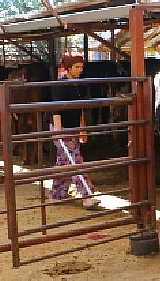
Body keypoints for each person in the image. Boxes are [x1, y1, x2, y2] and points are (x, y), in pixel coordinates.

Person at [49, 54, 100, 209]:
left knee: (64, 162)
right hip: (62, 128)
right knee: (75, 161)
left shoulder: (78, 85)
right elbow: (56, 109)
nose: (80, 70)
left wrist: (82, 129)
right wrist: (58, 131)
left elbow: (80, 109)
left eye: (81, 67)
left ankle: (56, 195)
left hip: (73, 128)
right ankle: (87, 195)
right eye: (77, 67)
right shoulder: (61, 85)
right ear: (69, 68)